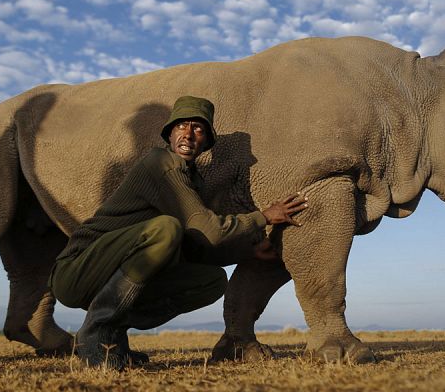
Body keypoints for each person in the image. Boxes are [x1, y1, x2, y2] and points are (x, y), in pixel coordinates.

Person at [49, 95, 308, 370]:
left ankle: (112, 337)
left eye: (198, 129)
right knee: (166, 230)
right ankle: (94, 332)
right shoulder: (160, 162)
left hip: (108, 276)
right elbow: (208, 228)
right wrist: (264, 216)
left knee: (211, 281)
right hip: (76, 270)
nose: (188, 134)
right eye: (182, 125)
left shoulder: (191, 179)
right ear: (170, 133)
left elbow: (198, 245)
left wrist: (249, 250)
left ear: (206, 141)